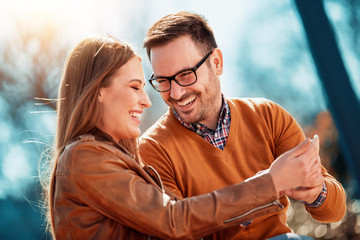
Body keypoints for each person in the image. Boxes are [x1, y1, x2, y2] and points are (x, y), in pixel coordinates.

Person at [41, 36, 324, 240]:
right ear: (98, 91)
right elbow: (173, 219)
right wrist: (272, 182)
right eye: (135, 87)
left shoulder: (110, 159)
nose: (147, 101)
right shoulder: (85, 158)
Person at [139, 11, 346, 240]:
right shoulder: (151, 150)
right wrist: (267, 185)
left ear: (216, 63)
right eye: (163, 81)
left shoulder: (268, 116)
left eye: (186, 75)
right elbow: (177, 228)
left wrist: (316, 191)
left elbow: (334, 210)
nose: (175, 93)